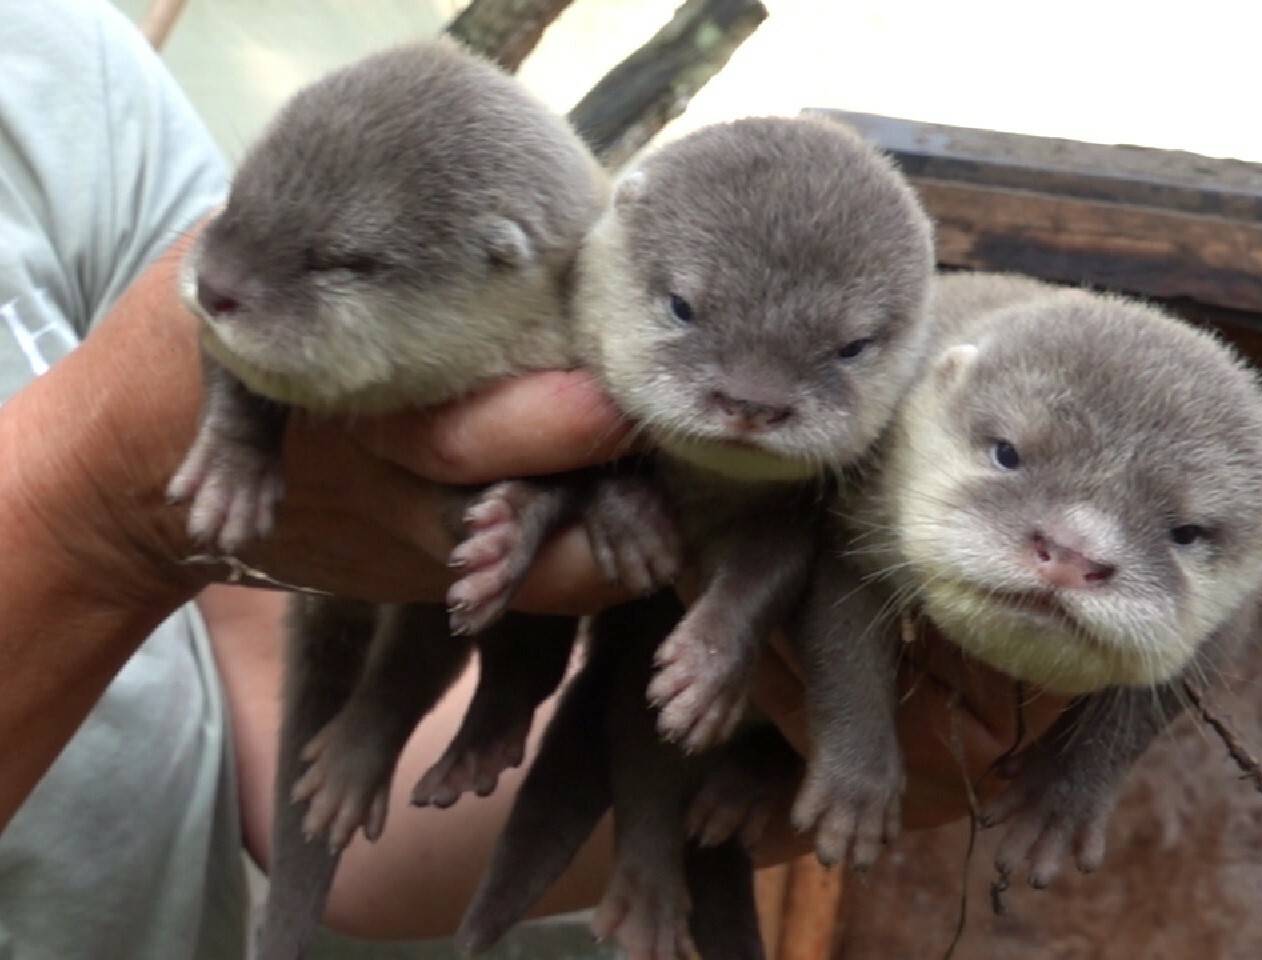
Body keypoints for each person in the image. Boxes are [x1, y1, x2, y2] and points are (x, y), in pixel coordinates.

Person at [0, 1, 1065, 956]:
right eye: (687, 316)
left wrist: (790, 776)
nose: (750, 399)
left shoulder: (69, 74)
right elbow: (206, 378)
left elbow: (269, 677)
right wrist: (101, 518)